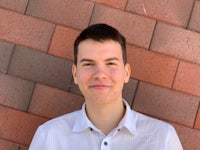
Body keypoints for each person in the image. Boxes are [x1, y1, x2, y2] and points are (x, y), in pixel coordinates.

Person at [29, 23, 183, 150]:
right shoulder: (48, 137)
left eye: (110, 63)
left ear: (126, 73)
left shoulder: (162, 138)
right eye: (89, 64)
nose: (100, 74)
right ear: (75, 74)